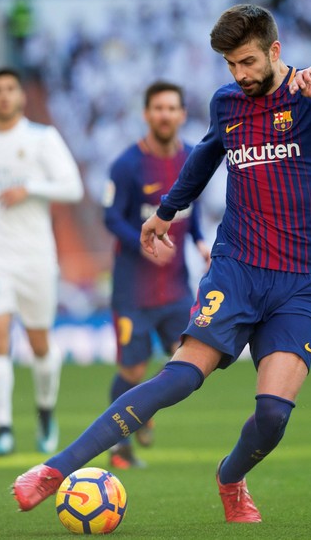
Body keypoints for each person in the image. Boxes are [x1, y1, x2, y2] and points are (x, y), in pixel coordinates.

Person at [13, 4, 311, 522]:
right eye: (231, 65)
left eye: (248, 62)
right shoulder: (228, 103)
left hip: (301, 279)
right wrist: (164, 212)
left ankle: (230, 479)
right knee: (179, 379)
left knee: (272, 414)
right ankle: (53, 470)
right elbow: (206, 155)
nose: (240, 75)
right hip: (239, 266)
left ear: (275, 51)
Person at [0, 68, 84, 456]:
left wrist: (31, 189)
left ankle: (44, 411)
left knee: (40, 344)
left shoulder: (42, 138)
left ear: (21, 96)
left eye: (10, 89)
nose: (4, 96)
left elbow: (72, 187)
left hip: (36, 256)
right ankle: (3, 428)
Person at [101, 80, 210, 469]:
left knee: (186, 362)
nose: (165, 114)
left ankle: (145, 411)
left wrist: (199, 241)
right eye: (158, 108)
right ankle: (121, 448)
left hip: (177, 288)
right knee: (131, 369)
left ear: (182, 114)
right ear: (147, 114)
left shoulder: (195, 157)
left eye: (172, 108)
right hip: (133, 289)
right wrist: (143, 242)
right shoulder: (127, 165)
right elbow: (111, 218)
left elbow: (190, 210)